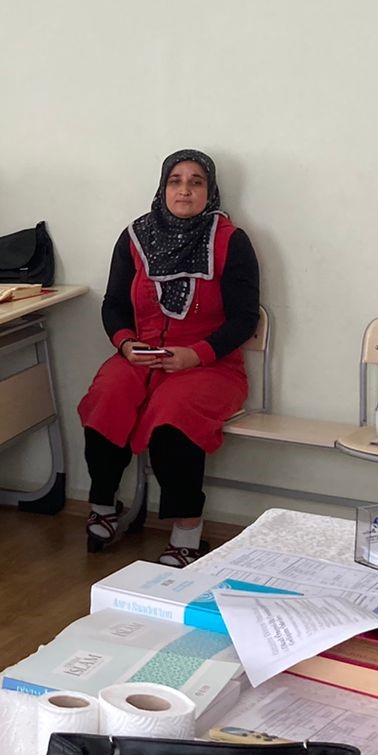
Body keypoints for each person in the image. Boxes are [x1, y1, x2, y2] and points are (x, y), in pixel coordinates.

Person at [78, 150, 259, 568]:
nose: (184, 190)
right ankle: (104, 505)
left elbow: (244, 318)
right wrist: (125, 345)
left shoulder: (230, 240)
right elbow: (113, 305)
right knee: (107, 395)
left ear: (209, 191)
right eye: (176, 180)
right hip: (140, 355)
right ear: (163, 188)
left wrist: (195, 355)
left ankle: (186, 534)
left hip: (210, 364)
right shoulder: (135, 237)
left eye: (196, 182)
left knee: (173, 415)